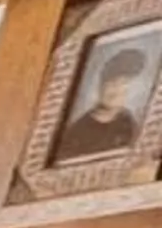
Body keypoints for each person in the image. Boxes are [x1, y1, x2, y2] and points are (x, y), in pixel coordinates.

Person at [54, 35, 156, 167]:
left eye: (124, 85)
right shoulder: (78, 131)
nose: (117, 92)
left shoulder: (129, 124)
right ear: (101, 85)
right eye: (113, 84)